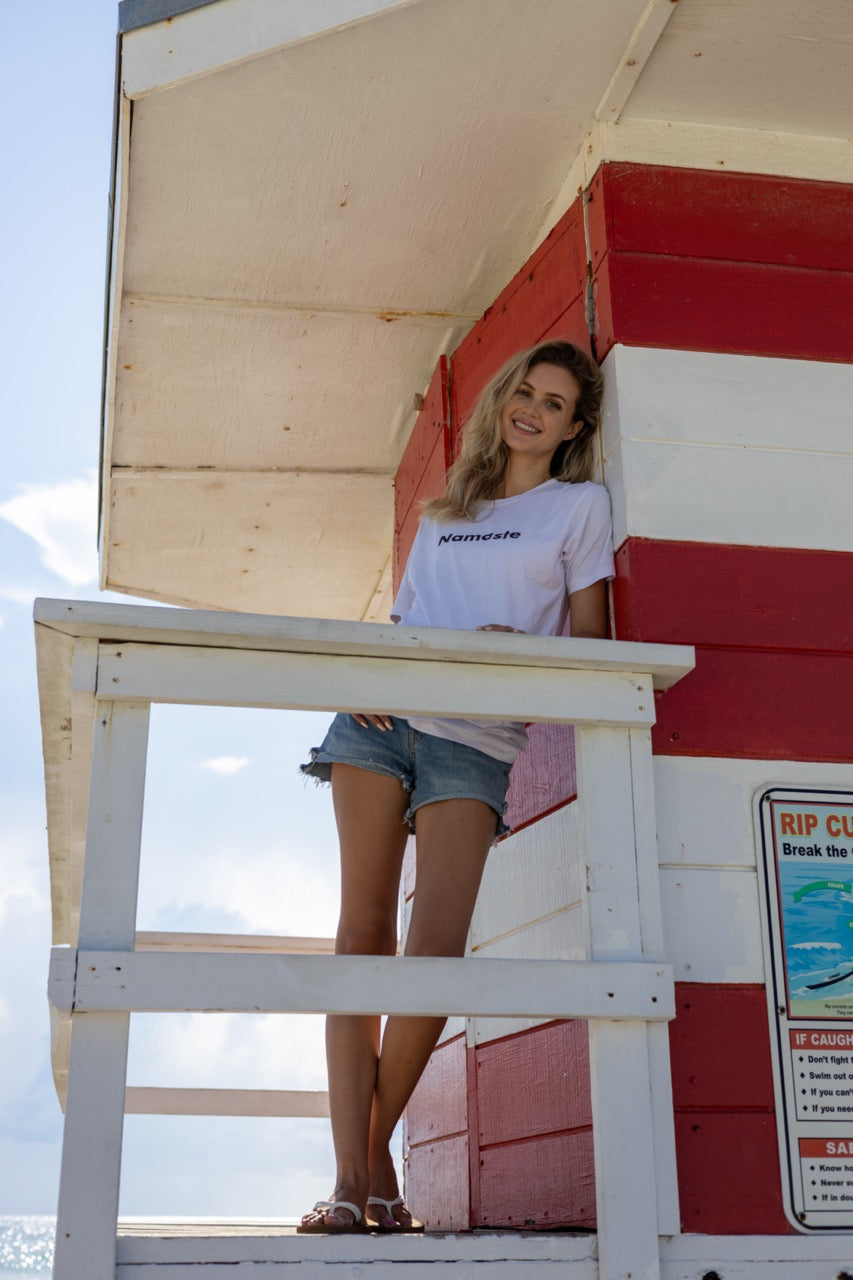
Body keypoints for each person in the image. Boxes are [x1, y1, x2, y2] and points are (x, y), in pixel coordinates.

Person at [298, 339, 615, 1234]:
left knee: (432, 949)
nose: (531, 410)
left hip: (473, 739)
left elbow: (589, 642)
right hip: (378, 723)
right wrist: (369, 673)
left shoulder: (578, 508)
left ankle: (367, 1166)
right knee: (360, 935)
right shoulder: (447, 509)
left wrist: (509, 650)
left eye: (553, 404)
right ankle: (356, 1179)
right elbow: (405, 623)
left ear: (573, 427)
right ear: (501, 402)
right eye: (523, 392)